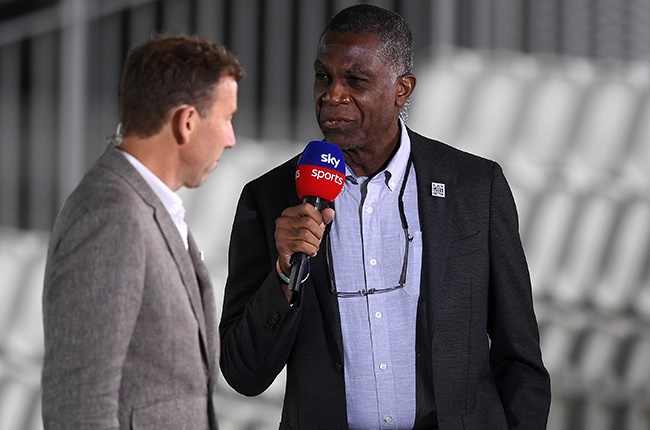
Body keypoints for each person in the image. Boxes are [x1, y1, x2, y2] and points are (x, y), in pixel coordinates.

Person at [220, 4, 550, 429]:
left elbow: (520, 357)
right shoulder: (269, 199)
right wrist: (284, 275)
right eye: (324, 76)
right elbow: (243, 372)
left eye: (355, 80)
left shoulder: (475, 187)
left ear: (402, 88)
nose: (332, 95)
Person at [41, 32, 243, 429]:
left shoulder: (140, 204)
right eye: (227, 118)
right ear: (186, 122)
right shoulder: (112, 216)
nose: (231, 139)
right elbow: (78, 405)